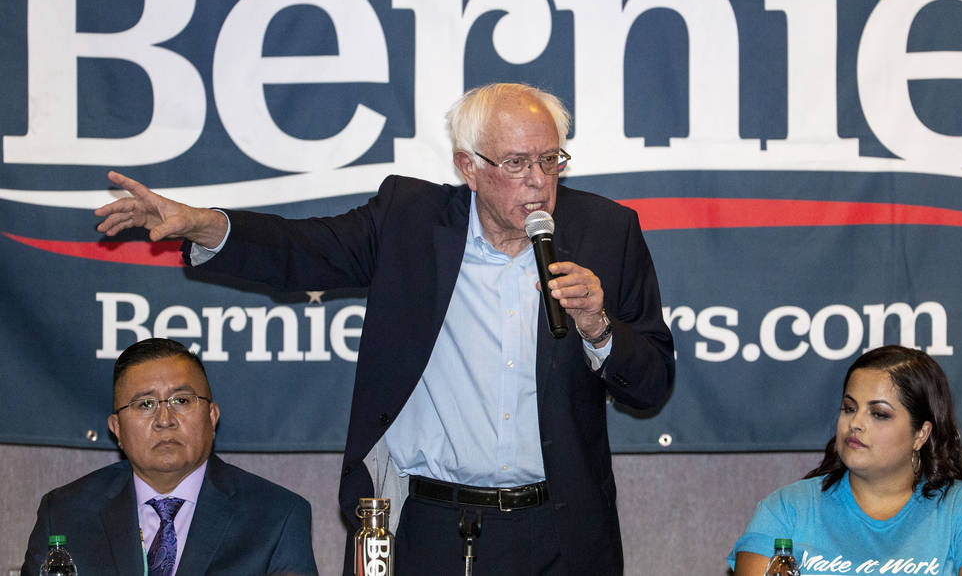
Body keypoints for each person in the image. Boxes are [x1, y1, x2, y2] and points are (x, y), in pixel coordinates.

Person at [94, 82, 676, 575]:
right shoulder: (409, 221)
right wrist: (203, 225)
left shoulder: (608, 232)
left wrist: (599, 327)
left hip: (560, 530)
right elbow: (301, 250)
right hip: (428, 527)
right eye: (517, 163)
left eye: (551, 160)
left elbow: (651, 383)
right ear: (468, 167)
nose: (538, 182)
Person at [21, 338, 318, 576]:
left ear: (212, 416)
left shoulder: (277, 516)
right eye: (145, 404)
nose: (165, 419)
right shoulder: (64, 513)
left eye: (182, 400)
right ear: (117, 429)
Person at [729, 345, 962, 576]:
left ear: (921, 434)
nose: (855, 423)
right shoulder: (786, 510)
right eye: (849, 408)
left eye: (879, 413)